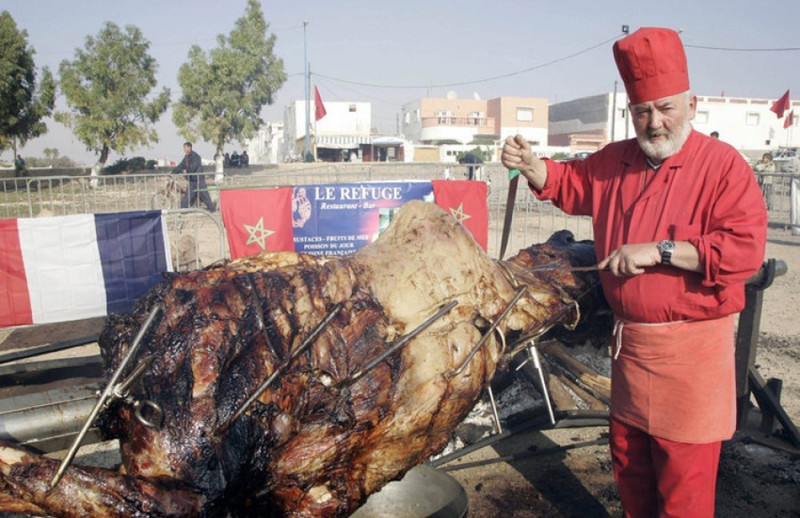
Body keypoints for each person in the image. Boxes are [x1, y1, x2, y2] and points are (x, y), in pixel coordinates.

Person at [501, 27, 767, 518]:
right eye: (643, 111)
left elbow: (744, 252)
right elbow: (570, 183)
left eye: (666, 108)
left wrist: (660, 251)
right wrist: (533, 165)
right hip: (632, 355)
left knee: (683, 496)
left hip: (691, 360)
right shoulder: (615, 160)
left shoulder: (723, 167)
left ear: (691, 103)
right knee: (632, 478)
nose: (655, 122)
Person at [172, 142, 215, 211]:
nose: (184, 149)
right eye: (184, 147)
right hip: (192, 180)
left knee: (204, 195)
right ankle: (183, 209)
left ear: (189, 147)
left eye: (185, 147)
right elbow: (181, 166)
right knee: (188, 195)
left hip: (198, 179)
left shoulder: (195, 156)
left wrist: (185, 175)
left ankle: (212, 209)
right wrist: (173, 172)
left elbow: (193, 167)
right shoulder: (186, 157)